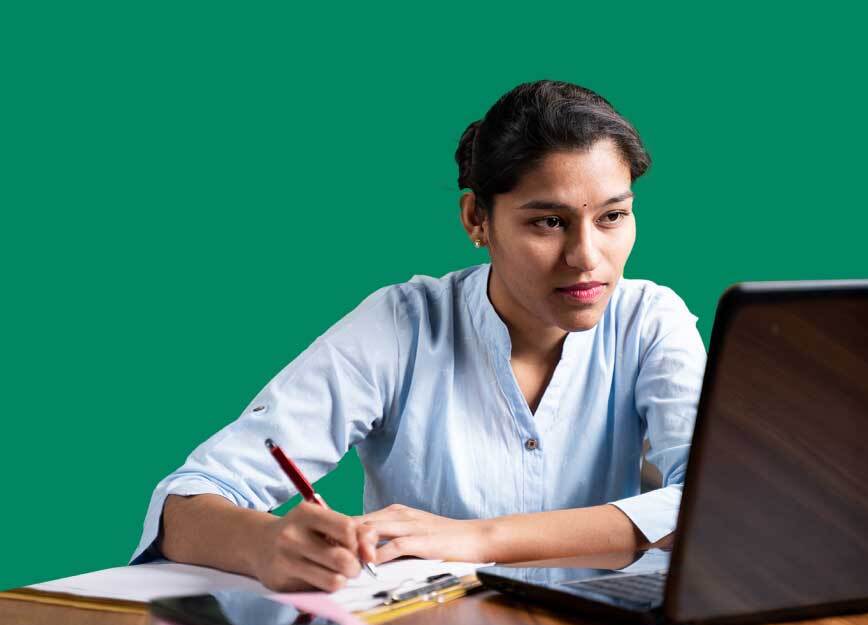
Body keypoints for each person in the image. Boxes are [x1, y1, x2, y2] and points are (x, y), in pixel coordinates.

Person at [130, 79, 708, 593]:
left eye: (612, 217)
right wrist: (267, 546)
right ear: (476, 220)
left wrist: (478, 540)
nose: (587, 257)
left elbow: (712, 507)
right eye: (548, 222)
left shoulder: (650, 320)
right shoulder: (402, 326)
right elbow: (187, 499)